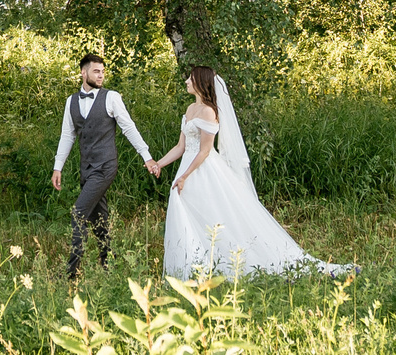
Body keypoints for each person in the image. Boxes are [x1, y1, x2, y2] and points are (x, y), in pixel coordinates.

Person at [149, 65, 351, 279]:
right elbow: (181, 147)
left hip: (202, 170)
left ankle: (222, 264)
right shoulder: (190, 109)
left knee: (211, 215)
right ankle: (191, 267)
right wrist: (159, 164)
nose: (187, 82)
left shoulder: (209, 111)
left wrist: (184, 176)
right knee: (186, 214)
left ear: (200, 82)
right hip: (187, 167)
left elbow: (205, 151)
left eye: (191, 78)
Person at [51, 51, 154, 279]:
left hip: (106, 166)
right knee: (99, 218)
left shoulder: (111, 97)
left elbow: (128, 127)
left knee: (78, 213)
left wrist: (146, 156)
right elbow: (67, 136)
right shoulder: (71, 102)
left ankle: (71, 273)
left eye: (103, 72)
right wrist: (58, 167)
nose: (100, 76)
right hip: (86, 168)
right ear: (83, 72)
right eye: (96, 71)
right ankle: (109, 264)